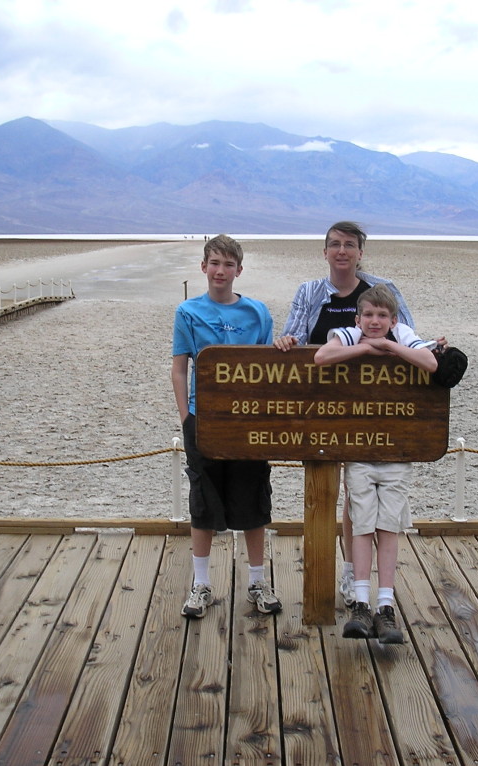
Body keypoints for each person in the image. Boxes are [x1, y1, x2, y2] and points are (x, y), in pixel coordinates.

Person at [273, 221, 419, 608]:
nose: (342, 251)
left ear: (360, 252)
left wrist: (431, 347)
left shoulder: (379, 291)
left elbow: (406, 335)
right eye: (335, 244)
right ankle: (342, 576)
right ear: (325, 251)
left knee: (356, 496)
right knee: (326, 486)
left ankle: (352, 574)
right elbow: (295, 337)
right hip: (319, 402)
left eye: (349, 245)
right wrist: (286, 340)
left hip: (368, 405)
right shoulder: (309, 292)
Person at [312, 284, 437, 643]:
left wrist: (389, 346)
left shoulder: (404, 335)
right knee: (363, 523)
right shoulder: (349, 334)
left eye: (382, 316)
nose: (375, 321)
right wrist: (366, 347)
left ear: (393, 319)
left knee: (388, 527)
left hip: (395, 450)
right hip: (359, 449)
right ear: (358, 318)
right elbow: (322, 357)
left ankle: (386, 605)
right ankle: (361, 604)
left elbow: (430, 363)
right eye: (368, 315)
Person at [172, 234, 282, 619]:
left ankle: (257, 581)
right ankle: (201, 584)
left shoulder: (257, 313)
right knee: (203, 501)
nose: (221, 271)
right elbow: (179, 366)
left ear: (239, 270)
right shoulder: (187, 312)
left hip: (248, 421)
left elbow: (268, 367)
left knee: (252, 498)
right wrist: (187, 417)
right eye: (214, 263)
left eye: (228, 264)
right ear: (204, 267)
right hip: (204, 419)